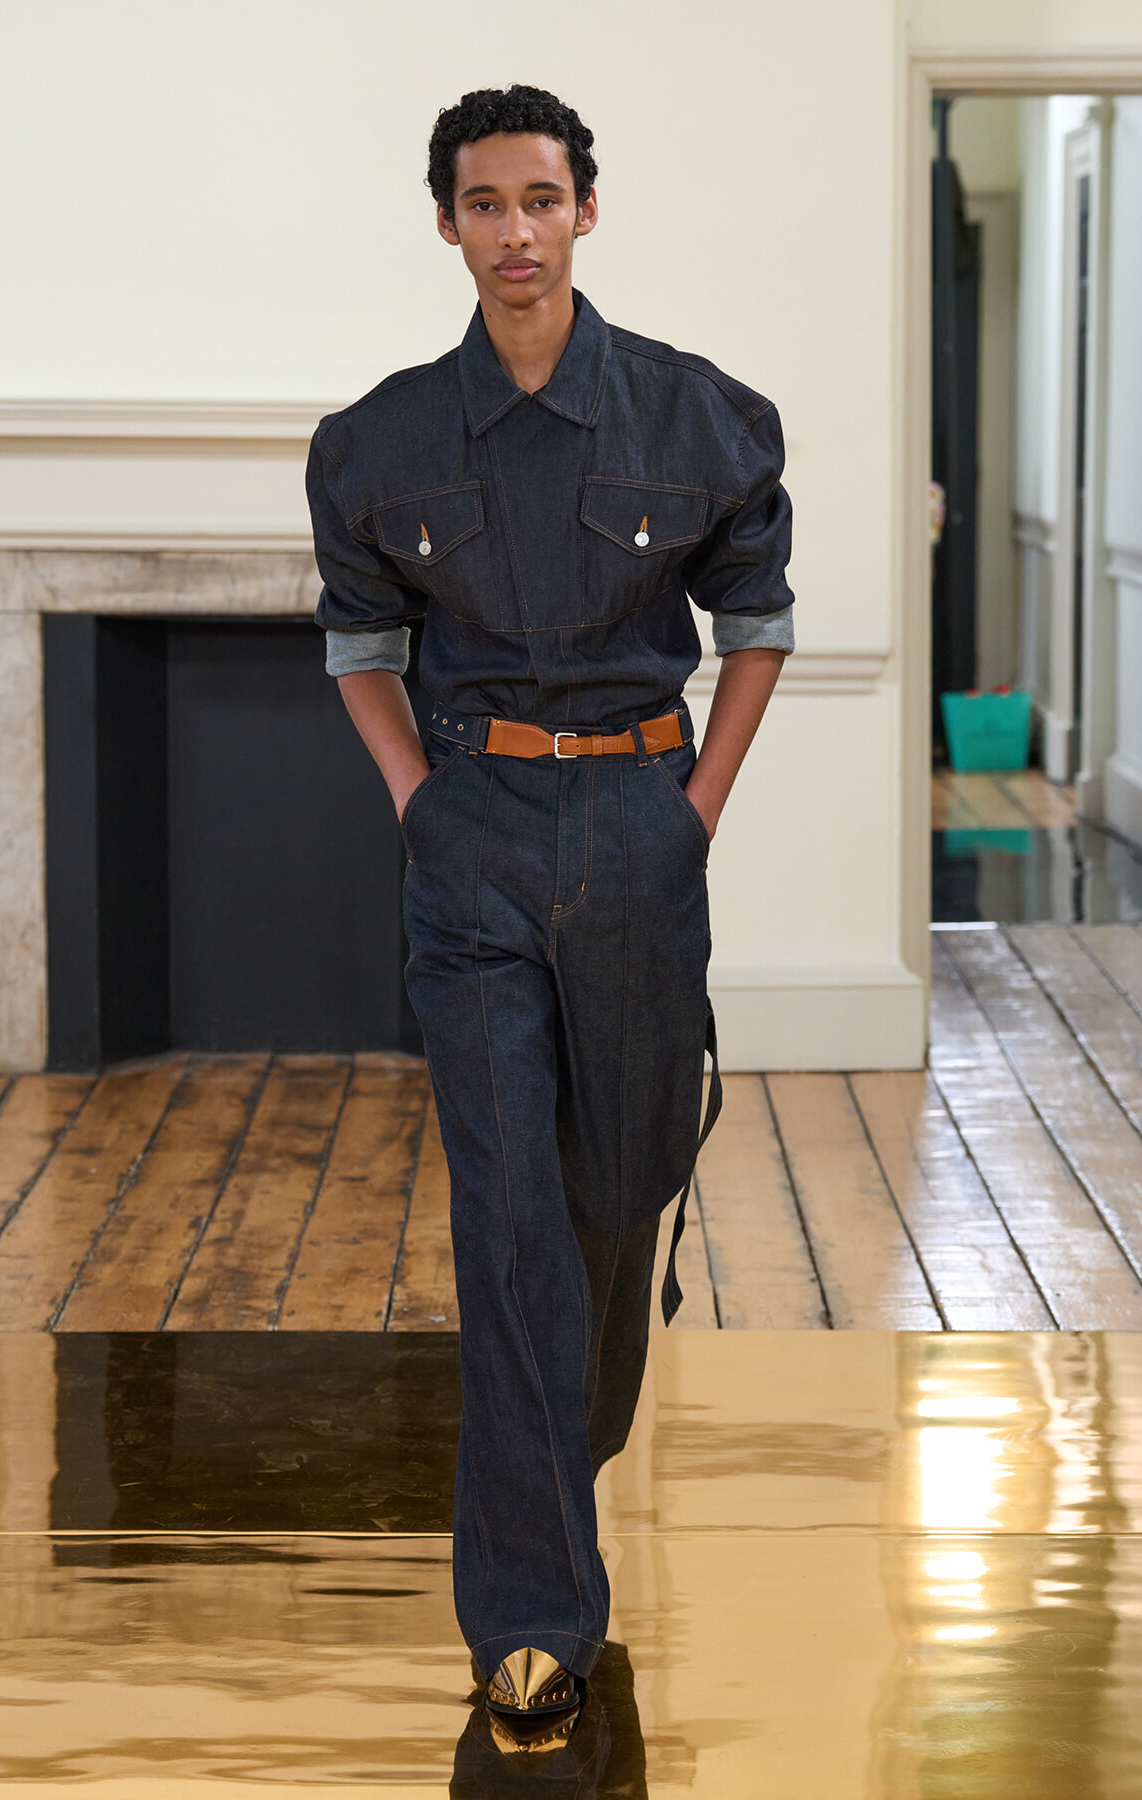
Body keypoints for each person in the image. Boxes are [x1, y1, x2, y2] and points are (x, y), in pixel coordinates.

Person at [307, 83, 793, 1747]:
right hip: (478, 842)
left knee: (616, 1190)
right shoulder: (376, 443)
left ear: (587, 210)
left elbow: (763, 624)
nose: (514, 230)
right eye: (483, 203)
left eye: (540, 197)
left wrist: (696, 812)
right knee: (507, 1212)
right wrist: (423, 808)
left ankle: (554, 1442)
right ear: (444, 224)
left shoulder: (701, 417)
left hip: (643, 839)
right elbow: (359, 649)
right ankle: (531, 1614)